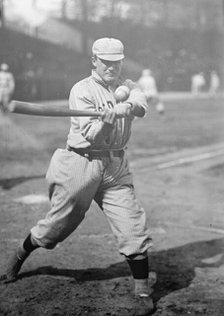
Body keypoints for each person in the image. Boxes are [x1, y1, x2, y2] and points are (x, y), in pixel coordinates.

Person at [0, 38, 155, 315]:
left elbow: (141, 103)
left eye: (116, 61)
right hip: (81, 164)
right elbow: (90, 137)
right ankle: (18, 256)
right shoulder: (81, 90)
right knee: (56, 227)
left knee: (131, 223)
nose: (111, 66)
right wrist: (106, 123)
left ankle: (142, 290)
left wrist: (127, 107)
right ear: (94, 60)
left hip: (116, 166)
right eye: (105, 61)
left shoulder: (128, 85)